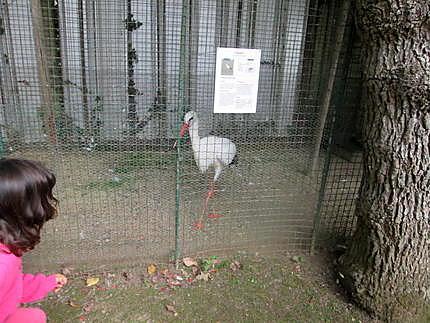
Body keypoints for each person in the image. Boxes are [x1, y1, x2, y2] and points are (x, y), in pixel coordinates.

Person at [0, 159, 67, 323]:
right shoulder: (3, 264)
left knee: (35, 316)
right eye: (42, 200)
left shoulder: (6, 250)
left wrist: (44, 284)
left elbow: (10, 285)